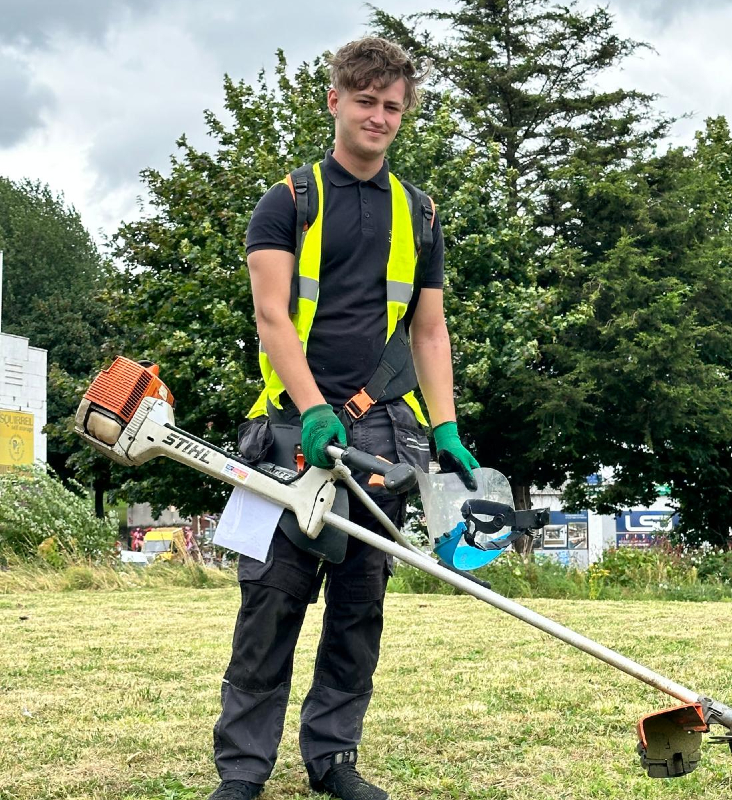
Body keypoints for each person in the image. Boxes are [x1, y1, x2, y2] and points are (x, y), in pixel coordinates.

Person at [208, 37, 478, 800]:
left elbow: (429, 330)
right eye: (365, 102)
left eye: (393, 106)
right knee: (270, 603)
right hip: (288, 432)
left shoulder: (420, 212)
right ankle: (243, 771)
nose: (379, 117)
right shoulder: (287, 202)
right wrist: (314, 409)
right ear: (335, 102)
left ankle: (333, 757)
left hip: (384, 436)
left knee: (360, 608)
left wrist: (446, 428)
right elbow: (272, 318)